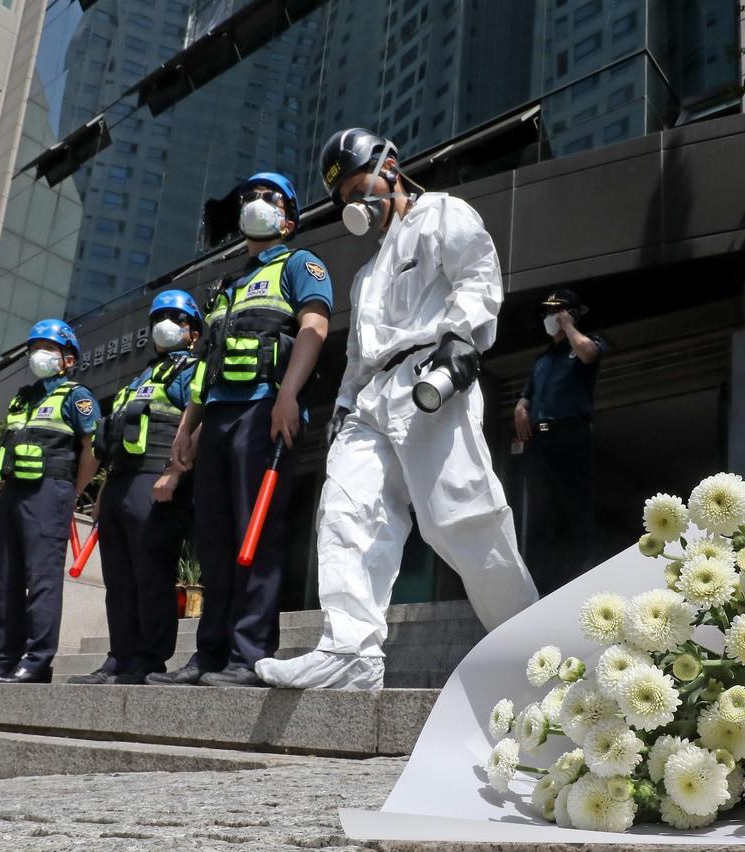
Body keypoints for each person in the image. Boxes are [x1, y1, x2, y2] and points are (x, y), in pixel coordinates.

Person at [255, 128, 538, 691]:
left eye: (361, 187)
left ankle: (534, 651)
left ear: (391, 167)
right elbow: (359, 356)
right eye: (346, 200)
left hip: (429, 377)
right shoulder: (365, 277)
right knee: (345, 513)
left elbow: (477, 275)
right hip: (371, 400)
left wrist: (462, 344)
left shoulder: (441, 214)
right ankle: (350, 652)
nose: (358, 205)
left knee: (459, 517)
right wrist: (342, 405)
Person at [149, 171, 332, 688]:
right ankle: (208, 654)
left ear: (289, 217)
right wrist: (189, 429)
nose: (254, 203)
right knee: (214, 538)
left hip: (264, 410)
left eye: (267, 197)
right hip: (220, 420)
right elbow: (206, 365)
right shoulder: (227, 286)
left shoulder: (300, 264)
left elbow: (314, 329)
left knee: (258, 537)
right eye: (249, 196)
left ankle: (248, 656)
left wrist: (289, 396)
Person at [69, 291, 201, 685]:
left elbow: (194, 425)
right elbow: (113, 442)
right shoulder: (138, 380)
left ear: (192, 331)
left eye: (175, 317)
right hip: (121, 485)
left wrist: (174, 471)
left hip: (156, 481)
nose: (165, 324)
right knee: (119, 579)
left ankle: (148, 658)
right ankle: (119, 656)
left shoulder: (190, 372)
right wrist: (103, 493)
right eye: (159, 317)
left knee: (151, 573)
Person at [0, 320, 100, 684]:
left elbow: (92, 449)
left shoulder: (76, 397)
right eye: (35, 346)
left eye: (48, 347)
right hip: (14, 494)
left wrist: (72, 491)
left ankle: (36, 661)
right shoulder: (22, 397)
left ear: (68, 359)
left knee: (42, 581)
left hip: (50, 492)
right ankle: (3, 659)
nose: (39, 354)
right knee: (6, 580)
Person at [514, 288, 607, 594]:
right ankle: (541, 583)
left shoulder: (584, 343)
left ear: (572, 312)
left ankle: (580, 578)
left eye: (556, 312)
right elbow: (527, 396)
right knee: (541, 513)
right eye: (548, 313)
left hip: (571, 437)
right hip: (540, 444)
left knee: (575, 509)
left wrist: (568, 327)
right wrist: (520, 407)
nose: (549, 318)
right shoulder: (542, 360)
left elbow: (589, 354)